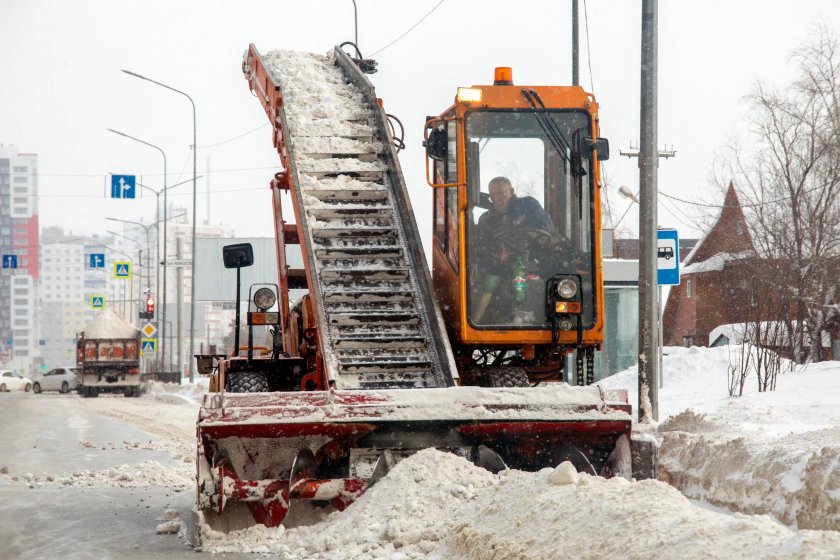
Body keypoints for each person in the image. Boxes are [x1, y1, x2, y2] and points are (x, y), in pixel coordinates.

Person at [472, 177, 557, 323]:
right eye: (492, 195)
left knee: (554, 268)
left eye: (501, 193)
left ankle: (552, 315)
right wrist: (499, 254)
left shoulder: (528, 205)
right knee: (484, 270)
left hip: (534, 256)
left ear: (511, 191)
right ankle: (485, 318)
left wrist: (517, 245)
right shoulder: (486, 219)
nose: (496, 198)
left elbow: (543, 228)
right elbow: (481, 245)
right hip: (500, 262)